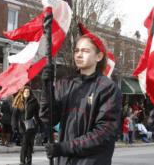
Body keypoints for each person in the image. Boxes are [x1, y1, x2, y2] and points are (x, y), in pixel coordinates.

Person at [40, 33, 122, 165]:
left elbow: (104, 133)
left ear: (99, 56)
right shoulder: (64, 84)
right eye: (77, 50)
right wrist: (46, 88)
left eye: (85, 51)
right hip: (65, 161)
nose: (78, 54)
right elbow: (48, 118)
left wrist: (65, 147)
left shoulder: (107, 88)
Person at [12, 86, 41, 165]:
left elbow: (38, 115)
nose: (26, 93)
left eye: (28, 92)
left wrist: (40, 125)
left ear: (30, 93)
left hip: (31, 126)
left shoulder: (34, 101)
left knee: (30, 144)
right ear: (22, 92)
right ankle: (22, 161)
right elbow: (14, 116)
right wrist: (14, 127)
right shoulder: (18, 101)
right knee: (25, 143)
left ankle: (29, 161)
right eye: (25, 92)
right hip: (22, 126)